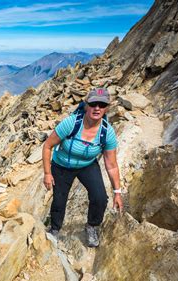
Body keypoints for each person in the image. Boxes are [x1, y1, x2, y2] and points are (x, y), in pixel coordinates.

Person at [41, 87, 123, 247]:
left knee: (100, 198)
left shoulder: (107, 133)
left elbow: (111, 165)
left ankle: (92, 226)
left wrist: (117, 193)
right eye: (93, 104)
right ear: (86, 105)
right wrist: (47, 173)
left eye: (102, 104)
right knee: (59, 199)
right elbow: (47, 146)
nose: (97, 108)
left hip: (86, 165)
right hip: (62, 164)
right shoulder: (71, 123)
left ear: (107, 108)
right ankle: (55, 229)